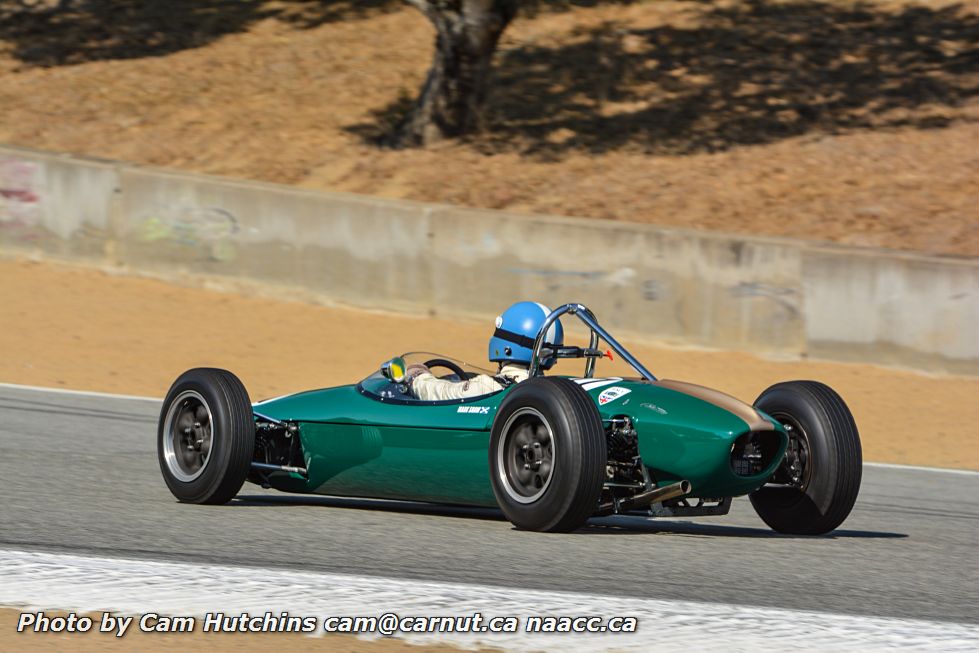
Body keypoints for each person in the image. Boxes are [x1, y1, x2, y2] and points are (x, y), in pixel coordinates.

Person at [406, 302, 564, 401]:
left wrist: (417, 378)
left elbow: (441, 393)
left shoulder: (488, 387)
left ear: (507, 346)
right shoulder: (554, 391)